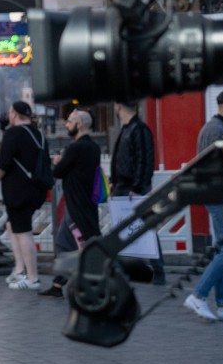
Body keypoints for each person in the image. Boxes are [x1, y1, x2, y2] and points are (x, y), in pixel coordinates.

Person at [183, 89, 223, 321]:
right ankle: (198, 295)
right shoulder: (219, 131)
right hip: (220, 199)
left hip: (215, 197)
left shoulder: (213, 128)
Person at [40, 109, 101, 298]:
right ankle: (58, 286)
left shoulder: (76, 148)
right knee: (63, 243)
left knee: (84, 245)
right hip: (85, 202)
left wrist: (58, 161)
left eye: (70, 121)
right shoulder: (94, 147)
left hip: (76, 206)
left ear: (80, 124)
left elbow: (58, 172)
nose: (66, 124)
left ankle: (94, 283)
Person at [0, 100, 48, 291]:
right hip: (36, 189)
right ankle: (20, 269)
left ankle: (32, 278)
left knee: (23, 232)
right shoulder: (39, 135)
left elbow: (3, 162)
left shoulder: (12, 133)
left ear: (14, 114)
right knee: (12, 226)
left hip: (18, 191)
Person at [111, 100, 163, 284]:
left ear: (118, 106)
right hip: (123, 187)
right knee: (126, 228)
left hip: (131, 188)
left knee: (144, 227)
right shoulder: (128, 129)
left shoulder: (138, 129)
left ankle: (157, 269)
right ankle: (126, 268)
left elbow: (145, 159)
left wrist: (138, 186)